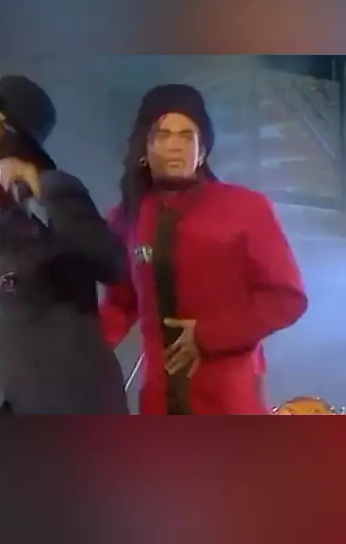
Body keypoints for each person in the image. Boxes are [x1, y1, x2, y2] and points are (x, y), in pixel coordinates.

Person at [99, 84, 308, 415]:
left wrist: (208, 335)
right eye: (162, 134)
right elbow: (120, 303)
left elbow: (287, 298)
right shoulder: (127, 217)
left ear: (202, 150)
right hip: (158, 401)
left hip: (230, 399)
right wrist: (74, 352)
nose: (175, 145)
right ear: (144, 148)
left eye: (187, 135)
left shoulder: (246, 207)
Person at [0, 74, 129, 415]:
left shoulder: (54, 188)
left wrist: (36, 190)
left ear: (12, 137)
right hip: (20, 398)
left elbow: (111, 262)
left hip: (76, 398)